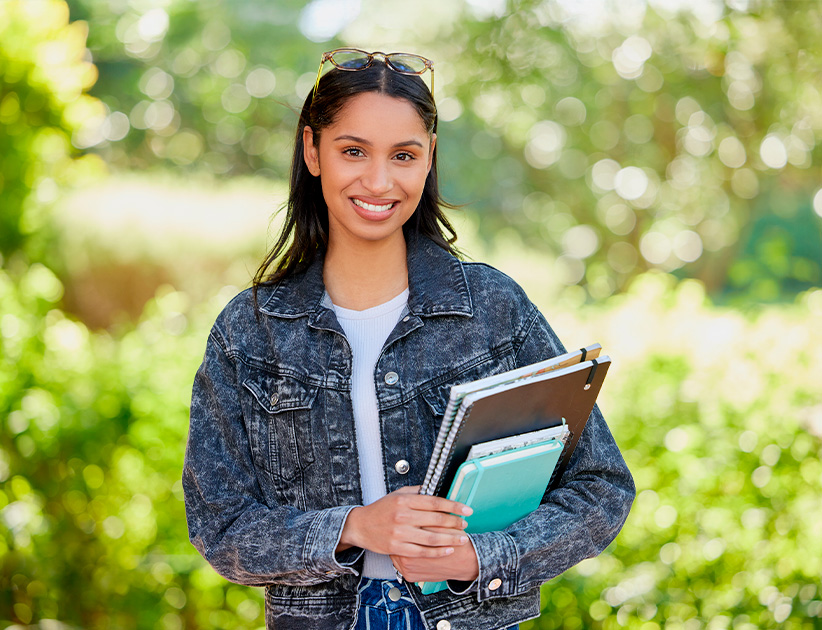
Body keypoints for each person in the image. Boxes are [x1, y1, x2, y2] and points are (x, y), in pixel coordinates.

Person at [183, 48, 635, 630]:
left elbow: (601, 487)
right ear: (312, 151)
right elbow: (220, 526)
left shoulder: (492, 309)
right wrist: (354, 527)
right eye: (353, 151)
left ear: (429, 159)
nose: (379, 181)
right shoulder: (249, 332)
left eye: (403, 155)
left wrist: (482, 558)